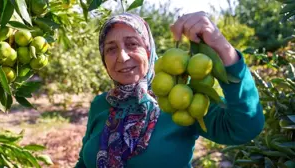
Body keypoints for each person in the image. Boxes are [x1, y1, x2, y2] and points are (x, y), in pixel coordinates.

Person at [75, 11, 265, 168]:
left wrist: (222, 47)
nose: (122, 57)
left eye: (132, 44)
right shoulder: (102, 104)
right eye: (111, 49)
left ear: (149, 50)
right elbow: (84, 163)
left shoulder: (178, 98)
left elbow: (244, 128)